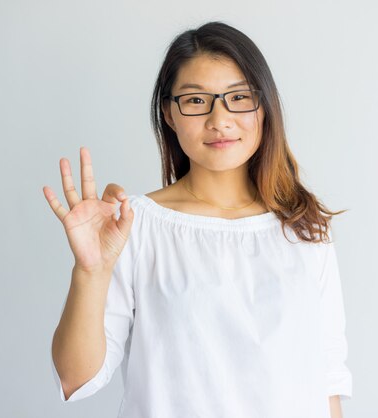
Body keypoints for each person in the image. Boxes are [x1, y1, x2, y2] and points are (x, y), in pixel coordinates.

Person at [43, 21, 352, 418]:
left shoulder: (305, 228)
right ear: (169, 115)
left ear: (264, 106)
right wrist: (90, 271)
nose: (219, 119)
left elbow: (326, 382)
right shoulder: (132, 226)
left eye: (238, 97)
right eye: (195, 101)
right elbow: (75, 379)